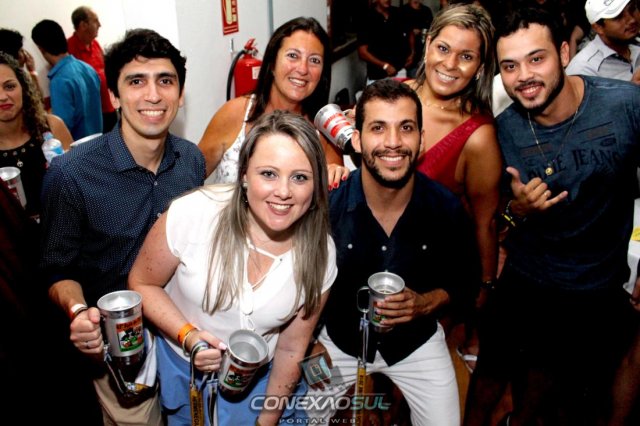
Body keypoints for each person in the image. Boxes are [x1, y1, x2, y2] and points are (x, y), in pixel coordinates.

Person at [465, 7, 639, 425]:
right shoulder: (503, 130)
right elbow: (492, 221)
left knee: (556, 403)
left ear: (563, 53)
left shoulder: (625, 105)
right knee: (487, 384)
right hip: (526, 282)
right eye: (510, 66)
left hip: (596, 290)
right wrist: (518, 210)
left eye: (536, 58)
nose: (524, 76)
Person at [40, 28, 206, 426]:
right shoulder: (71, 175)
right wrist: (78, 312)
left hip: (184, 332)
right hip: (121, 347)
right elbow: (56, 269)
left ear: (181, 94)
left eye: (165, 81)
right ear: (114, 96)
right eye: (136, 82)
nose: (153, 95)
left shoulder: (191, 160)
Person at [129, 110, 336, 426]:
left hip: (259, 384)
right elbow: (142, 283)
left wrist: (267, 421)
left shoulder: (321, 252)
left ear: (316, 185)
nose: (283, 191)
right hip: (185, 374)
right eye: (268, 173)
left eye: (300, 177)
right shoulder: (194, 213)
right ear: (244, 175)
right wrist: (188, 336)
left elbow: (292, 349)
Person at [305, 79, 479, 425]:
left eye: (406, 128)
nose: (393, 142)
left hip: (416, 344)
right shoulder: (327, 206)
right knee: (304, 417)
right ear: (357, 139)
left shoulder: (445, 208)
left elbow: (467, 281)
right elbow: (294, 288)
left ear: (421, 140)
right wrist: (309, 347)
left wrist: (425, 303)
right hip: (334, 342)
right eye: (378, 128)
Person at [409, 3, 501, 372]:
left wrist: (484, 288)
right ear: (428, 44)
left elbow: (485, 221)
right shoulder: (391, 96)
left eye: (466, 56)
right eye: (443, 48)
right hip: (370, 261)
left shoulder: (478, 136)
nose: (450, 64)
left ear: (480, 66)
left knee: (407, 386)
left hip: (430, 281)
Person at [198, 17, 345, 186]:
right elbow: (188, 177)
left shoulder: (325, 130)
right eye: (293, 56)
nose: (303, 69)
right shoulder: (235, 113)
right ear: (272, 64)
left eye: (314, 60)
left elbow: (333, 195)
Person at [0, 52, 72, 218]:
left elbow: (81, 184)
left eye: (9, 86)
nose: (3, 97)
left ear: (23, 87)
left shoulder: (52, 127)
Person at [31, 19, 102, 140]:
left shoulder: (59, 81)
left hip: (78, 147)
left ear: (40, 48)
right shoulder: (87, 68)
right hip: (98, 140)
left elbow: (62, 128)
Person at [68, 6, 118, 133]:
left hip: (109, 106)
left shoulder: (95, 44)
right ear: (83, 25)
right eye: (95, 21)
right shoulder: (69, 49)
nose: (99, 24)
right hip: (93, 114)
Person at [566, 0, 640, 83]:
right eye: (618, 17)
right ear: (598, 27)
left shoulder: (635, 45)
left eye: (632, 9)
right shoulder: (583, 70)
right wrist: (632, 88)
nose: (632, 20)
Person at [357, 0, 414, 83]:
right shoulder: (366, 18)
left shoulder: (398, 13)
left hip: (400, 71)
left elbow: (410, 32)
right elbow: (362, 52)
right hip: (378, 76)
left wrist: (412, 53)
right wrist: (385, 66)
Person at [401, 0, 434, 78]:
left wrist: (423, 31)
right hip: (407, 54)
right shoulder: (402, 10)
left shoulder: (426, 10)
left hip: (424, 52)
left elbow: (432, 28)